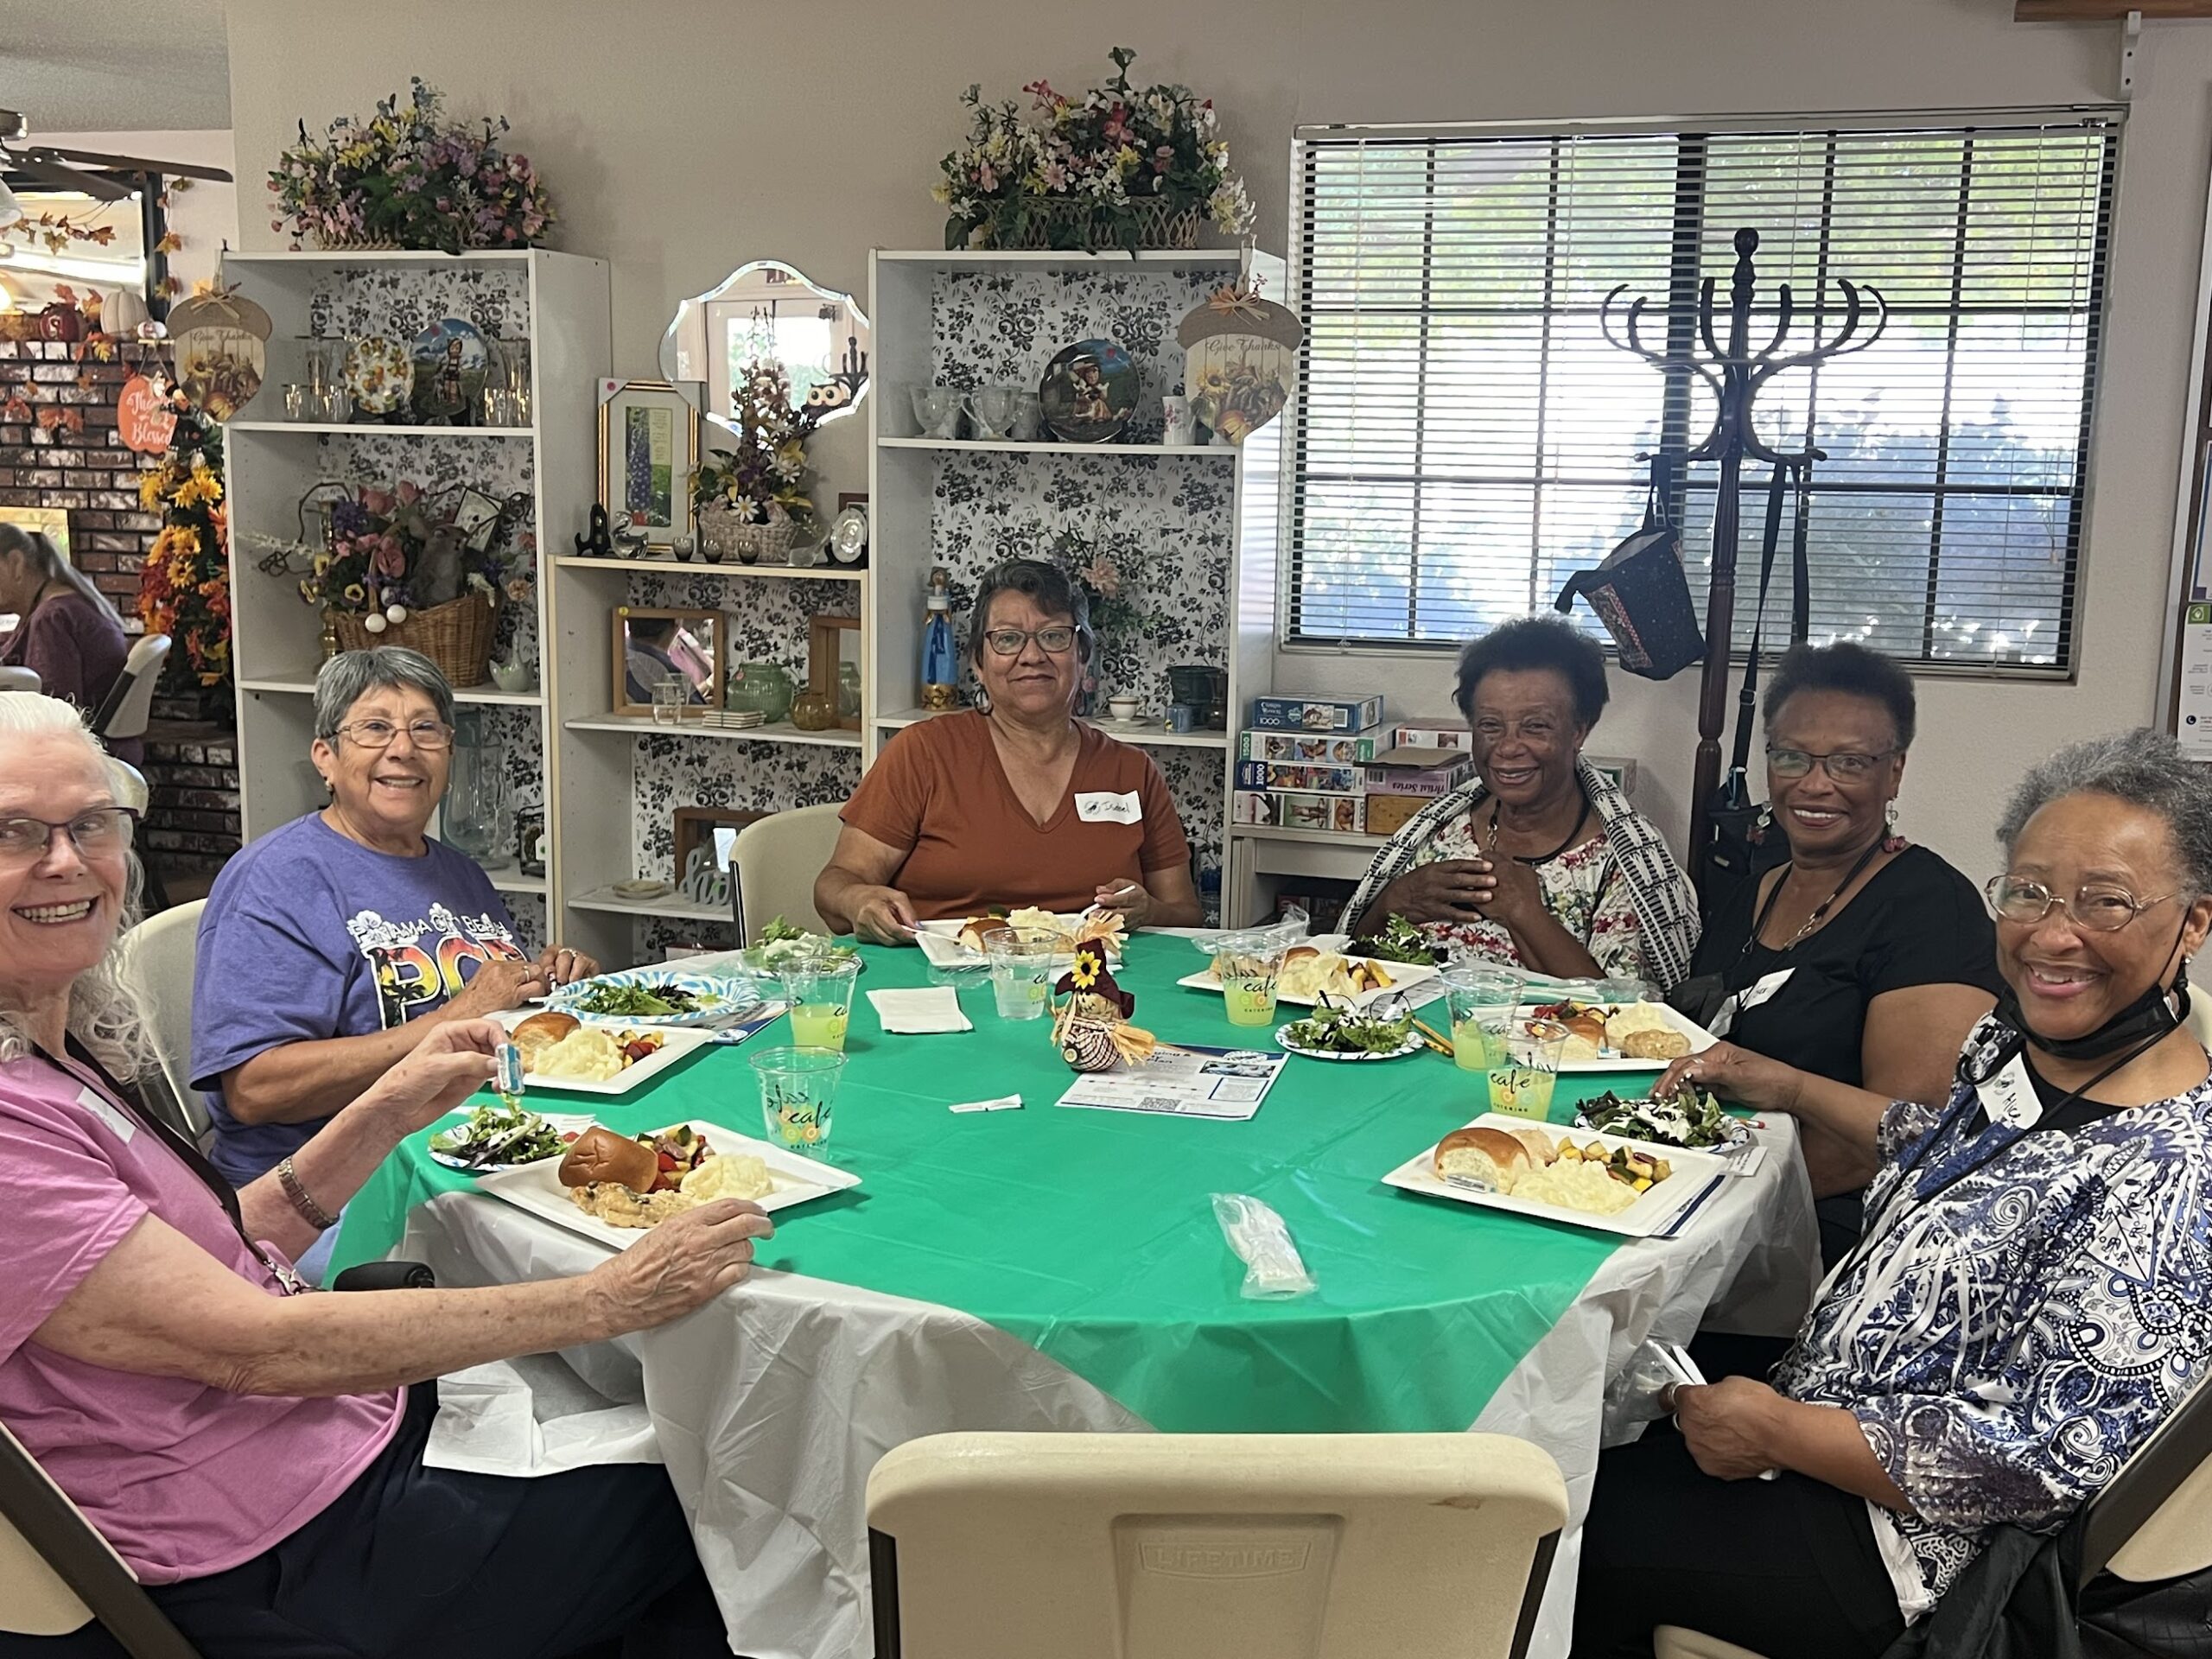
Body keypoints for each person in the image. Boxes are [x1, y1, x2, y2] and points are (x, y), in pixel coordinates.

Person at [0, 690, 767, 1657]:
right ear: (324, 753)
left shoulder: (47, 1048)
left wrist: (392, 1103)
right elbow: (255, 1348)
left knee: (671, 1436)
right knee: (724, 1503)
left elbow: (220, 1247)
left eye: (90, 825)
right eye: (14, 834)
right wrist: (608, 1299)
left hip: (327, 1447)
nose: (66, 862)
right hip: (267, 1551)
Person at [1573, 728, 2212, 1659]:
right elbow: (1955, 1158)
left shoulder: (2174, 1177)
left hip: (1912, 1549)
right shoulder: (2032, 1053)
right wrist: (1788, 1086)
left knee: (1555, 1527)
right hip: (1822, 1417)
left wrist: (1783, 1434)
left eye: (2104, 902)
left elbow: (2038, 1460)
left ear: (2193, 921)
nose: (2050, 932)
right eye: (2028, 891)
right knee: (1576, 1427)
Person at [192, 647, 596, 1185]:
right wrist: (456, 1016)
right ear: (326, 758)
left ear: (448, 755)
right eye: (375, 729)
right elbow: (256, 1091)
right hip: (328, 1195)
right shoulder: (277, 880)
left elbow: (491, 1014)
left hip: (468, 1156)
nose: (403, 749)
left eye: (426, 729)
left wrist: (550, 985)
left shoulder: (459, 872)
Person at [1665, 641, 2000, 1265]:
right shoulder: (1754, 892)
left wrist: (1703, 1208)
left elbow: (1907, 1131)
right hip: (1708, 1194)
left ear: (1894, 771)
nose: (1815, 784)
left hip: (1826, 1232)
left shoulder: (1930, 908)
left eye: (1850, 762)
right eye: (1792, 756)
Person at [815, 558, 1203, 940]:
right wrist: (858, 899)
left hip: (1092, 990)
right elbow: (835, 886)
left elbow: (1186, 918)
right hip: (939, 988)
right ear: (979, 664)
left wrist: (1149, 911)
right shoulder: (923, 754)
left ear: (1082, 656)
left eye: (1053, 636)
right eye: (1008, 639)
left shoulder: (1131, 770)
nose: (1032, 656)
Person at [1342, 613, 1698, 987]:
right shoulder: (1442, 831)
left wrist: (1523, 911)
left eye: (1535, 726)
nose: (1508, 748)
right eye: (1490, 726)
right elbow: (1352, 967)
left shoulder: (1622, 860)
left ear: (1579, 730)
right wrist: (1392, 902)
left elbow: (1626, 1017)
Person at [0, 524, 135, 765]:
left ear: (16, 564)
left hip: (84, 760)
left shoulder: (52, 619)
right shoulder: (63, 605)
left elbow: (55, 713)